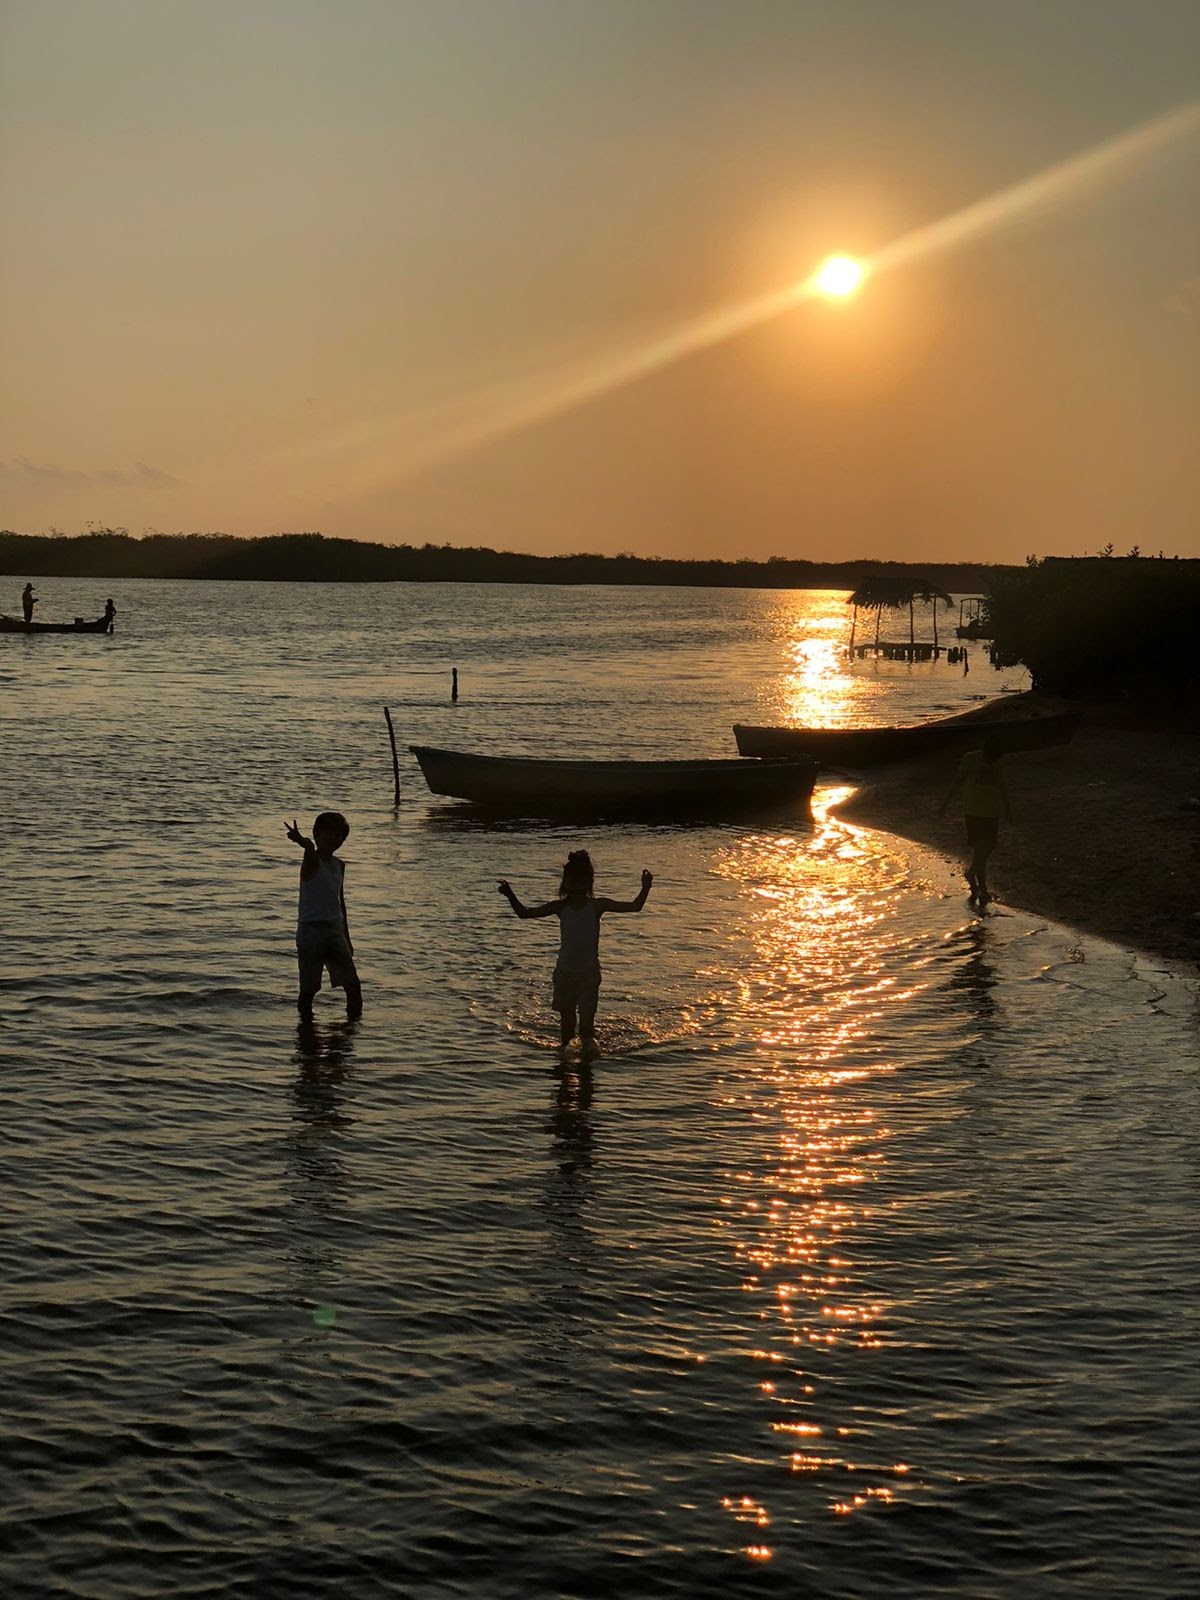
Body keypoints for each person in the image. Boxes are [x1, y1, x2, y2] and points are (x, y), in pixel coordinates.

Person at [498, 849, 653, 1053]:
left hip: (589, 975)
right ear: (566, 883)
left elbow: (635, 907)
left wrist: (645, 888)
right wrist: (510, 895)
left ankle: (587, 1066)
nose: (578, 886)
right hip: (565, 974)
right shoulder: (560, 907)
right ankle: (565, 1070)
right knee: (567, 1030)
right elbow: (525, 913)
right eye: (573, 881)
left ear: (589, 883)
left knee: (587, 1028)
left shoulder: (598, 906)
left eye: (582, 881)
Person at [285, 811, 363, 1021]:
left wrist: (347, 937)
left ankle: (351, 1031)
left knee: (353, 986)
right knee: (309, 989)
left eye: (338, 835)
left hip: (335, 930)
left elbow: (341, 902)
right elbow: (310, 849)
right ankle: (305, 1030)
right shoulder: (311, 861)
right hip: (311, 931)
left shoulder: (339, 865)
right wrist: (302, 842)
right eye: (327, 834)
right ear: (317, 834)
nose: (332, 839)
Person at [937, 736, 1013, 907]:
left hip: (992, 811)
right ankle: (980, 889)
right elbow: (958, 782)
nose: (992, 761)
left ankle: (973, 876)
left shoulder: (999, 761)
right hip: (973, 811)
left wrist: (1007, 809)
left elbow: (1002, 786)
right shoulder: (970, 758)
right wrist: (945, 804)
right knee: (980, 849)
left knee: (988, 847)